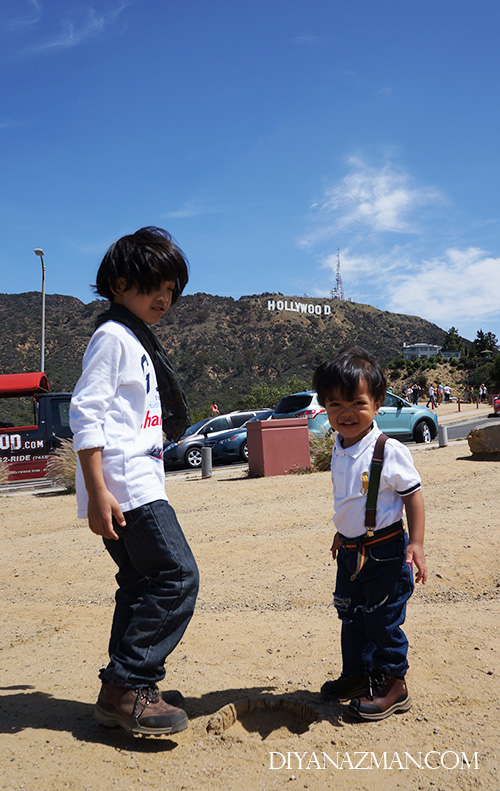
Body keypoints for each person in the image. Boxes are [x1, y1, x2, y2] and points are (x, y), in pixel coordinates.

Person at [70, 227, 199, 736]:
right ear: (120, 282)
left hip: (135, 481)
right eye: (154, 286)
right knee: (176, 577)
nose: (164, 297)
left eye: (172, 289)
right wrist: (97, 489)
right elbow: (87, 413)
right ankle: (130, 685)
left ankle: (119, 691)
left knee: (143, 582)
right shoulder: (113, 337)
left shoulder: (134, 338)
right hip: (125, 487)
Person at [313, 345, 427, 721]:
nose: (346, 414)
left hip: (385, 552)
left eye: (357, 404)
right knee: (351, 616)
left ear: (377, 403)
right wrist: (341, 533)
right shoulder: (340, 447)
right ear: (324, 406)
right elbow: (347, 498)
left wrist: (417, 543)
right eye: (335, 405)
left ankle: (394, 683)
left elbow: (413, 495)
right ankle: (358, 676)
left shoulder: (387, 449)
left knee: (382, 617)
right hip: (350, 550)